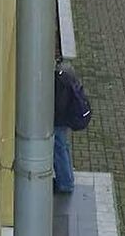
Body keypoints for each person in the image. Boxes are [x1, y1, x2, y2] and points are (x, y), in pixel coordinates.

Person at [53, 60, 76, 194]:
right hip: (64, 119)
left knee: (59, 149)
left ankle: (65, 183)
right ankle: (67, 179)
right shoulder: (66, 76)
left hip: (58, 120)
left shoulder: (59, 80)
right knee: (63, 147)